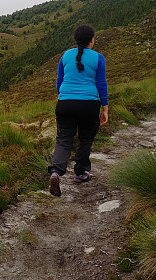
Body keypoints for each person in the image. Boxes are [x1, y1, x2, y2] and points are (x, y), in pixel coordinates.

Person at [48, 24, 108, 197]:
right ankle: (80, 173)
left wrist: (64, 98)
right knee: (85, 138)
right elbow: (101, 85)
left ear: (76, 40)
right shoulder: (98, 58)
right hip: (89, 105)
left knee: (63, 139)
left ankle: (56, 172)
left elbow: (59, 82)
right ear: (92, 40)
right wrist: (105, 108)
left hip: (65, 103)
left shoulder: (65, 55)